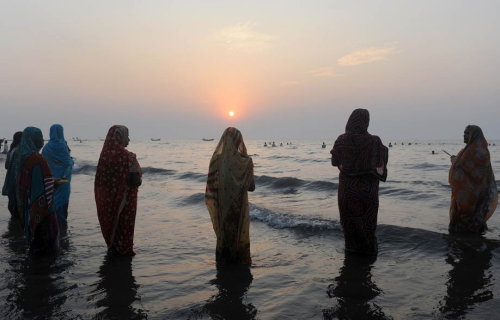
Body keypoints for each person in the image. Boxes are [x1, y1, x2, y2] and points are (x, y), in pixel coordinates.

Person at [330, 109, 388, 255]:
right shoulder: (375, 141)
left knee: (349, 223)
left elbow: (334, 161)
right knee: (368, 223)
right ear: (366, 122)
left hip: (348, 190)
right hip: (368, 192)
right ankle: (369, 253)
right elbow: (380, 164)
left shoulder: (342, 139)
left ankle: (351, 251)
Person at [205, 127, 255, 265]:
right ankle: (238, 265)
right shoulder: (246, 162)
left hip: (224, 207)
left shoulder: (217, 160)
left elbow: (211, 186)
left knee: (225, 237)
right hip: (239, 209)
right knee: (238, 238)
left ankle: (224, 265)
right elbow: (252, 188)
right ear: (239, 142)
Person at [95, 125, 142, 256]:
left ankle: (113, 248)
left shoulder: (104, 157)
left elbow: (101, 181)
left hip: (108, 203)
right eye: (127, 136)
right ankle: (124, 251)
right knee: (124, 227)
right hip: (126, 202)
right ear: (119, 137)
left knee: (114, 227)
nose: (129, 139)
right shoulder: (128, 157)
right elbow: (136, 181)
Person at [16, 127, 60, 253]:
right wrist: (55, 182)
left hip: (27, 207)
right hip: (42, 209)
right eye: (39, 137)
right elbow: (47, 182)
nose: (42, 141)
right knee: (47, 242)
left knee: (35, 240)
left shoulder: (21, 157)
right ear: (33, 139)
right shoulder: (37, 158)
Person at [448, 125, 498, 233]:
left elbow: (467, 170)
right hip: (475, 192)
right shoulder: (471, 151)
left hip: (476, 193)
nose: (464, 135)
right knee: (475, 221)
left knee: (468, 221)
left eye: (467, 133)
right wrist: (456, 161)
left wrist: (454, 161)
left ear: (474, 136)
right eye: (464, 133)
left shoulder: (476, 152)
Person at [42, 124, 74, 222]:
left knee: (51, 204)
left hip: (50, 182)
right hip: (63, 182)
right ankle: (62, 228)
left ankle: (53, 229)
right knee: (63, 206)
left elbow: (43, 164)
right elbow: (69, 164)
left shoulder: (46, 148)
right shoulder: (63, 146)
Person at [2, 131, 23, 217]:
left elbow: (6, 166)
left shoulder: (11, 150)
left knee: (13, 207)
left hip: (11, 182)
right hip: (18, 183)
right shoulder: (20, 151)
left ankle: (12, 229)